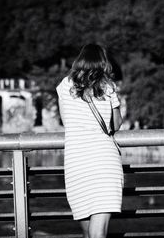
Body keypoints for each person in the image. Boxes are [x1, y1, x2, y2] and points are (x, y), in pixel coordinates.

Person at [56, 44, 123, 238]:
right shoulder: (108, 86)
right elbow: (115, 124)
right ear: (103, 63)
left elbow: (66, 121)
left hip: (76, 163)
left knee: (88, 232)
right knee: (98, 232)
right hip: (104, 162)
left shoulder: (64, 85)